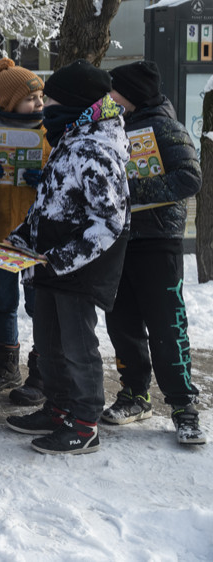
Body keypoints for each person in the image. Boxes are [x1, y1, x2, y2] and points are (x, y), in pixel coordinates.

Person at [4, 60, 129, 455]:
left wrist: (61, 258)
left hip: (79, 270)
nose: (45, 109)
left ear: (75, 103)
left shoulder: (96, 149)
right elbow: (52, 202)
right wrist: (24, 235)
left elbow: (110, 222)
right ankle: (57, 408)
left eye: (52, 100)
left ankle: (85, 421)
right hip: (49, 263)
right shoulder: (69, 138)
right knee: (49, 344)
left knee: (78, 348)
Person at [102, 61, 204, 445]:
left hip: (159, 241)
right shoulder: (114, 127)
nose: (109, 98)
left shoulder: (165, 126)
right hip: (121, 240)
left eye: (115, 91)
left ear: (131, 94)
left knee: (166, 324)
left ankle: (183, 406)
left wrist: (136, 191)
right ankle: (134, 393)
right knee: (122, 321)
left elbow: (189, 177)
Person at [0, 59, 50, 399]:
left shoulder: (49, 135)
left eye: (40, 96)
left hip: (37, 237)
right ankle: (6, 365)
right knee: (4, 302)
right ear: (8, 101)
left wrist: (45, 181)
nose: (39, 103)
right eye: (31, 97)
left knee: (39, 305)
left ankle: (44, 368)